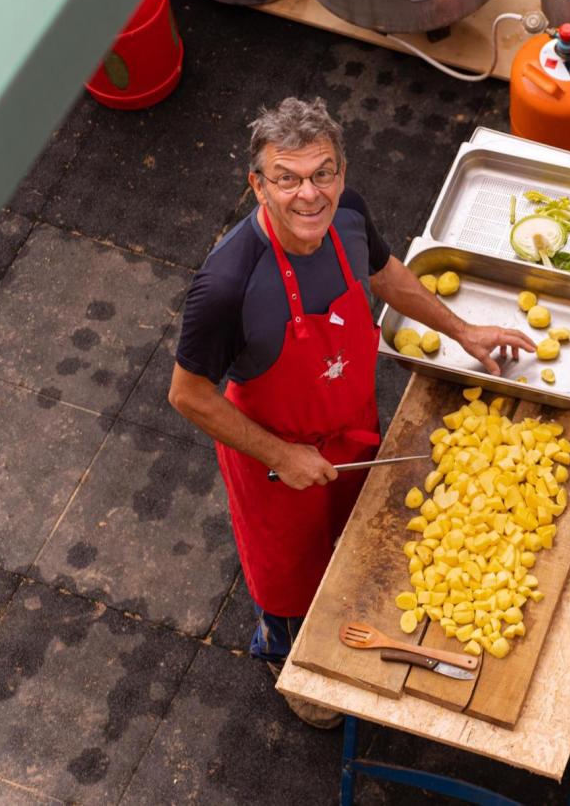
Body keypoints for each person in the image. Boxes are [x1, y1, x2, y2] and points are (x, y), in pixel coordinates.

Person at [168, 97, 534, 727]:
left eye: (323, 173)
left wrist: (463, 330)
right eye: (287, 178)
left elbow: (387, 276)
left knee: (356, 543)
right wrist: (283, 455)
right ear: (257, 184)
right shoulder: (226, 285)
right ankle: (288, 660)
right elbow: (187, 394)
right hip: (275, 460)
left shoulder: (351, 215)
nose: (309, 195)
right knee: (289, 576)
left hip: (351, 424)